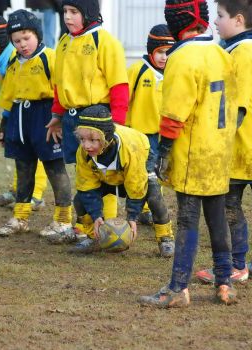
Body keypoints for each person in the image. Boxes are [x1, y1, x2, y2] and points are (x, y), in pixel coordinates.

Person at [138, 0, 238, 307]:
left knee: (187, 221)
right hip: (219, 150)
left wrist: (163, 153)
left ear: (173, 20)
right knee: (217, 217)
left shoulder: (180, 58)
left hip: (192, 151)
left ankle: (178, 288)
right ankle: (224, 284)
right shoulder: (222, 53)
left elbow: (173, 115)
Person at [196, 0, 252, 285]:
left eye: (220, 16)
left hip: (248, 144)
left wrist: (218, 140)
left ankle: (236, 265)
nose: (215, 22)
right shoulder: (240, 49)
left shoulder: (244, 54)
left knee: (232, 203)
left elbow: (238, 107)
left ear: (239, 20)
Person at [45, 0, 129, 233]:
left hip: (98, 118)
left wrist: (118, 124)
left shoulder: (104, 42)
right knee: (84, 173)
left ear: (89, 13)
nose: (68, 17)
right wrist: (57, 114)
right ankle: (87, 225)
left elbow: (119, 85)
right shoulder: (63, 42)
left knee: (105, 174)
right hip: (73, 119)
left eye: (74, 12)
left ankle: (108, 229)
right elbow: (59, 84)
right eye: (65, 12)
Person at [0, 9, 74, 241]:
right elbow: (8, 96)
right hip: (20, 116)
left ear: (37, 34)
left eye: (26, 38)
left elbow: (61, 89)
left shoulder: (50, 57)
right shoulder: (14, 63)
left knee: (54, 169)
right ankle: (20, 218)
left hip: (46, 116)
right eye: (16, 41)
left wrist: (58, 119)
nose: (22, 44)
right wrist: (4, 124)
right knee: (24, 168)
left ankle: (63, 220)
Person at [0, 15, 49, 213]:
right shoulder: (2, 61)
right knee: (20, 148)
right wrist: (5, 121)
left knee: (36, 150)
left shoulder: (14, 59)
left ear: (0, 41)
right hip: (18, 111)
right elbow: (9, 95)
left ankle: (35, 194)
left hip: (40, 112)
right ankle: (19, 190)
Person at [69, 105, 149, 254]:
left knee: (154, 196)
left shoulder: (130, 149)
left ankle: (165, 238)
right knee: (79, 200)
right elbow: (87, 186)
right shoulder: (83, 152)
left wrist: (132, 217)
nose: (86, 145)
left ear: (106, 137)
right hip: (108, 178)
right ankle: (93, 237)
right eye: (82, 139)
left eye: (92, 140)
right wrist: (96, 216)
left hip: (140, 162)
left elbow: (136, 185)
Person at [126, 24, 176, 257]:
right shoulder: (138, 70)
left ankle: (149, 213)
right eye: (160, 52)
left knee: (156, 176)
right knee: (145, 179)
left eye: (169, 51)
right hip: (138, 137)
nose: (165, 57)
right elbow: (125, 99)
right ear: (151, 51)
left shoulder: (177, 72)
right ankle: (160, 229)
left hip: (163, 136)